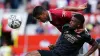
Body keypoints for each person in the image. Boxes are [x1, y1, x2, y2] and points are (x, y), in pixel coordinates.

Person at [25, 13, 98, 56]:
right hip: (54, 53)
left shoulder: (84, 35)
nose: (70, 22)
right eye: (71, 20)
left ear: (78, 25)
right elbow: (62, 38)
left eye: (73, 21)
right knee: (30, 54)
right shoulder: (66, 27)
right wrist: (55, 45)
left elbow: (95, 45)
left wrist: (86, 55)